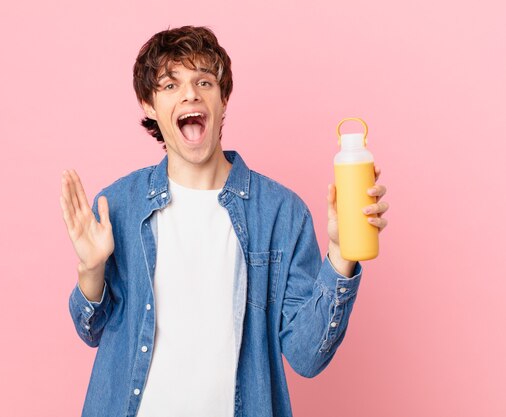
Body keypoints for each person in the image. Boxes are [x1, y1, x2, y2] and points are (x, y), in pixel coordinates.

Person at [60, 25, 388, 417]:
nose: (190, 94)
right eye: (169, 85)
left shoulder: (281, 213)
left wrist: (341, 254)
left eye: (204, 81)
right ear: (148, 104)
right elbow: (91, 330)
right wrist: (90, 268)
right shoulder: (119, 205)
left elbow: (306, 356)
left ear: (223, 98)